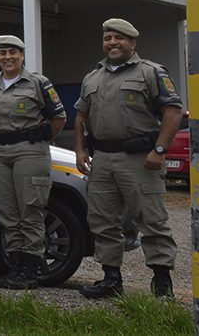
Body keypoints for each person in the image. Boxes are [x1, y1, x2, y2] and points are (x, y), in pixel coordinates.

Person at [74, 18, 182, 299]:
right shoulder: (92, 78)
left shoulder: (150, 72)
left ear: (132, 43)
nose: (112, 43)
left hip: (140, 160)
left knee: (152, 220)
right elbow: (81, 116)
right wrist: (81, 149)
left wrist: (159, 150)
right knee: (102, 221)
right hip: (104, 159)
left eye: (119, 38)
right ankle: (111, 280)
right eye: (108, 37)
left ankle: (162, 283)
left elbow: (173, 112)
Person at [0, 35, 66, 290]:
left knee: (31, 210)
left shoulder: (37, 83)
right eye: (2, 53)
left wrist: (39, 142)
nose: (7, 57)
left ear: (22, 55)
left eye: (12, 52)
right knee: (6, 211)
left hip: (29, 151)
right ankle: (15, 268)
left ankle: (30, 270)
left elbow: (58, 118)